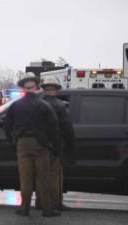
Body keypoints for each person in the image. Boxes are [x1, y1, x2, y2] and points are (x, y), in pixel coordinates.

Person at [4, 72, 61, 217]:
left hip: (22, 144)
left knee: (25, 178)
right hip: (40, 144)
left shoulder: (15, 106)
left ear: (23, 88)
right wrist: (55, 147)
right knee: (43, 177)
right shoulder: (44, 105)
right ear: (36, 88)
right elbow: (54, 128)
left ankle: (24, 208)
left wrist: (13, 141)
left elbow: (7, 125)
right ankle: (47, 209)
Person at [36, 76, 75, 211]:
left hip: (39, 145)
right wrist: (70, 145)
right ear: (56, 90)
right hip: (55, 145)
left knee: (41, 174)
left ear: (44, 89)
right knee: (55, 175)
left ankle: (40, 202)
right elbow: (67, 128)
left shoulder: (37, 103)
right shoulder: (60, 105)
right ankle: (55, 203)